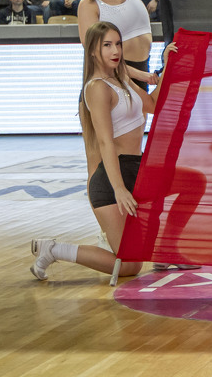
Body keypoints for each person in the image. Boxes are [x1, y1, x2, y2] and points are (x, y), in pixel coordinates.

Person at [29, 22, 162, 280]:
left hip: (138, 169)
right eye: (107, 45)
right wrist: (119, 188)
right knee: (129, 267)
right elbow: (105, 143)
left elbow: (153, 105)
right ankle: (54, 249)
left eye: (118, 44)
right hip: (112, 181)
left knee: (193, 183)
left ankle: (167, 252)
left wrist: (170, 65)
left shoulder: (121, 79)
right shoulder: (96, 87)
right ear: (92, 50)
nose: (116, 51)